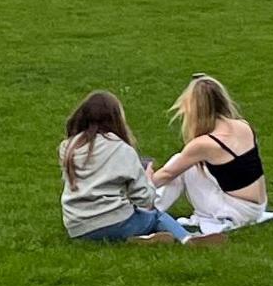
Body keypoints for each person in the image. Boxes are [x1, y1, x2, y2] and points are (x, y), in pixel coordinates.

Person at [149, 74, 273, 237]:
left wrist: (143, 184)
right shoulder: (243, 126)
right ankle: (148, 205)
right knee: (188, 163)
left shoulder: (205, 144)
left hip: (236, 212)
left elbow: (167, 174)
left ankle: (144, 211)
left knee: (179, 163)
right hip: (257, 207)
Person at [60, 92, 187, 244]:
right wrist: (148, 180)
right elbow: (144, 199)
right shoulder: (121, 149)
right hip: (114, 222)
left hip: (77, 227)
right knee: (156, 216)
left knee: (134, 219)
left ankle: (141, 239)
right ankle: (188, 239)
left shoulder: (69, 147)